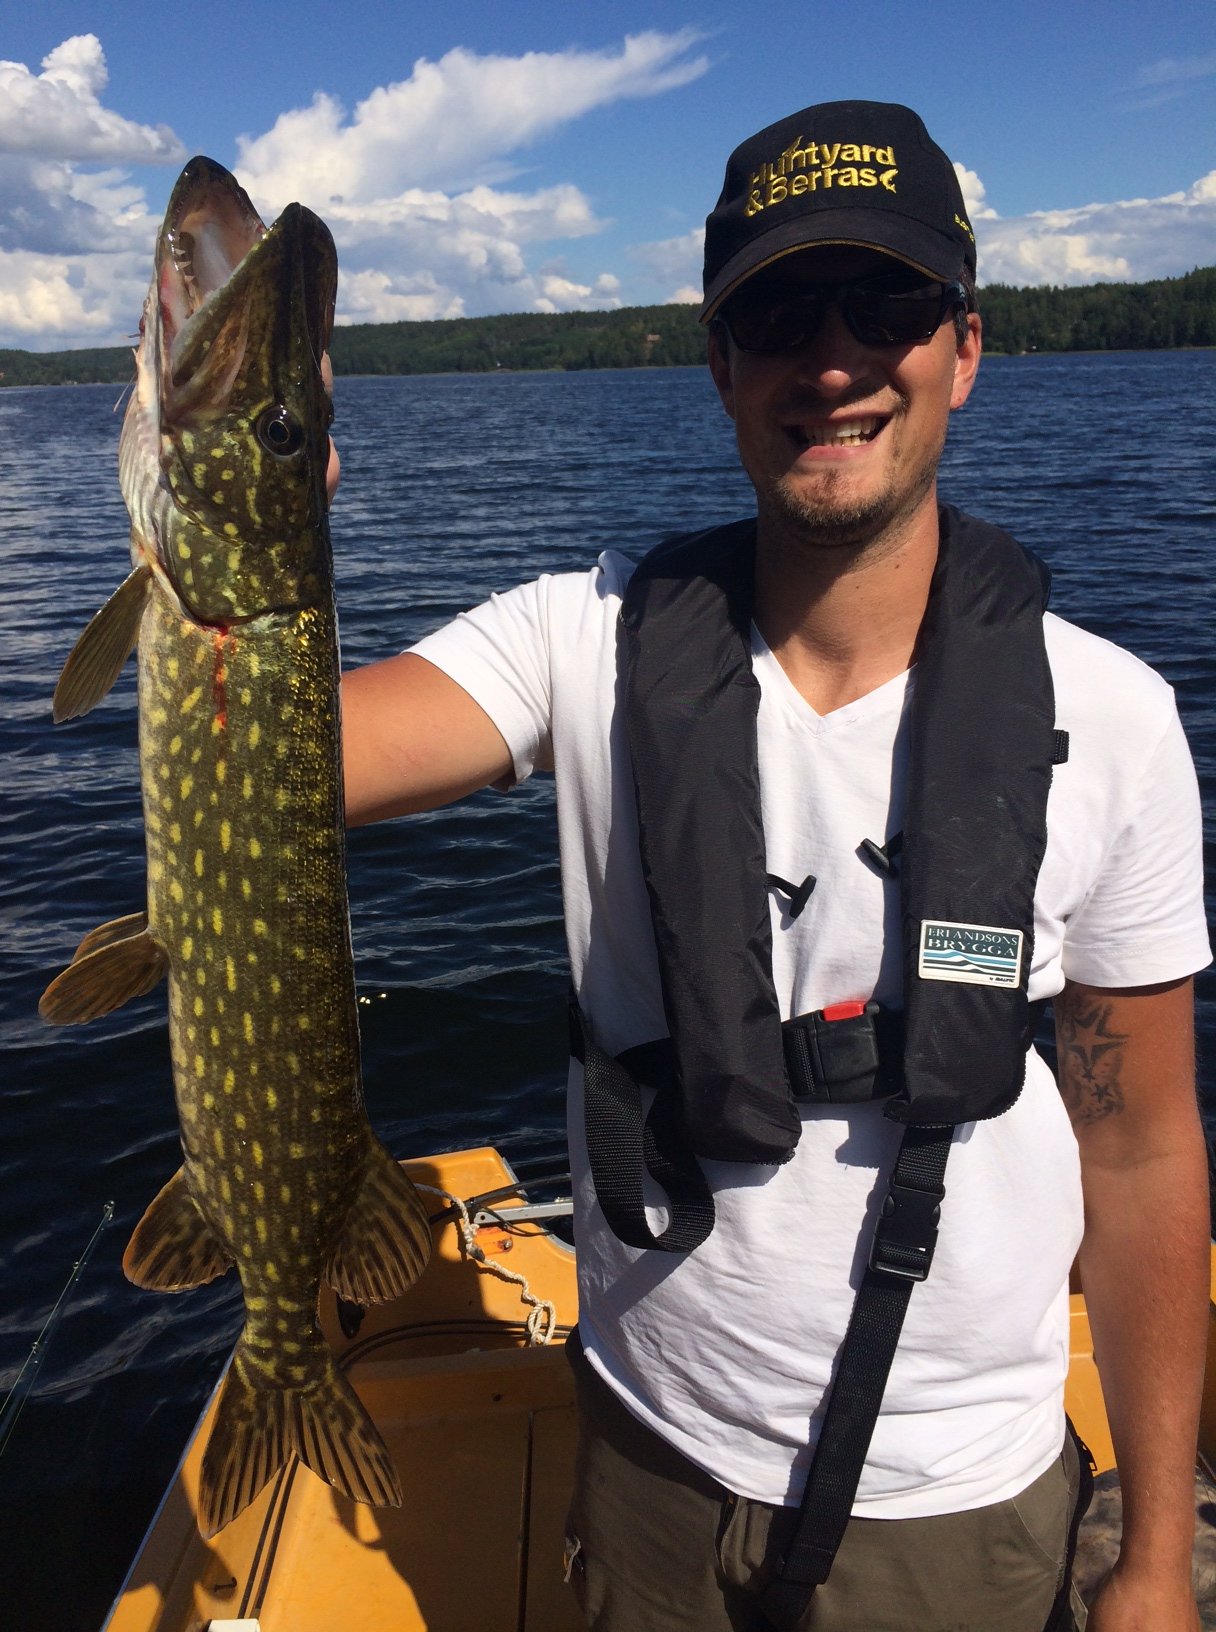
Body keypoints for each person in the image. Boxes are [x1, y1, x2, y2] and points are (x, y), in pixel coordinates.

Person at [339, 101, 1210, 1631]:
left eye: (886, 307)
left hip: (956, 1503)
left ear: (964, 348)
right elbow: (296, 761)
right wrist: (242, 527)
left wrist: (1147, 1555)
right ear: (720, 362)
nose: (832, 360)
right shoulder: (577, 642)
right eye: (777, 313)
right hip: (651, 1451)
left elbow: (1137, 1149)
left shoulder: (1116, 720)